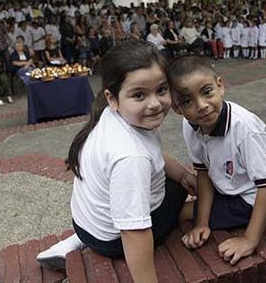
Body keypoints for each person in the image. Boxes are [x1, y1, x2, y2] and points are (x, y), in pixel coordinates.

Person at [36, 41, 196, 282]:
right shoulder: (131, 157)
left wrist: (184, 174)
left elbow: (154, 154)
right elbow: (135, 233)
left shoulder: (114, 114)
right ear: (112, 97)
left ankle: (74, 242)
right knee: (178, 191)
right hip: (112, 241)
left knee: (175, 177)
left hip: (84, 225)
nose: (154, 103)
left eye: (161, 90)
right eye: (139, 94)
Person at [166, 55, 266, 265]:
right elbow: (203, 173)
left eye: (207, 92)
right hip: (231, 186)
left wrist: (249, 240)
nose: (201, 105)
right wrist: (201, 223)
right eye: (187, 101)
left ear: (220, 86)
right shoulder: (191, 125)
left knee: (179, 212)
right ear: (177, 109)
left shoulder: (245, 129)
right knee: (184, 209)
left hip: (255, 196)